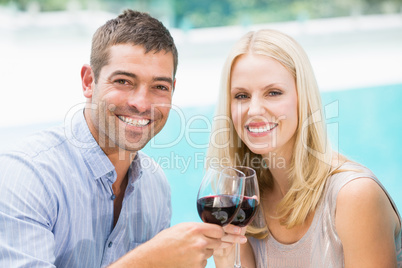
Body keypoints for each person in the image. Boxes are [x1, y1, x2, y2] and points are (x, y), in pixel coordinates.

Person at [0, 9, 245, 267]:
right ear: (88, 81)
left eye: (159, 87)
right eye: (124, 81)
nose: (141, 103)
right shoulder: (25, 175)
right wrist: (149, 260)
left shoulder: (156, 187)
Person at [208, 29, 402, 267]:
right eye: (241, 96)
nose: (254, 109)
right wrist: (226, 259)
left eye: (273, 93)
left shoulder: (355, 196)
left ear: (303, 99)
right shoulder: (245, 201)